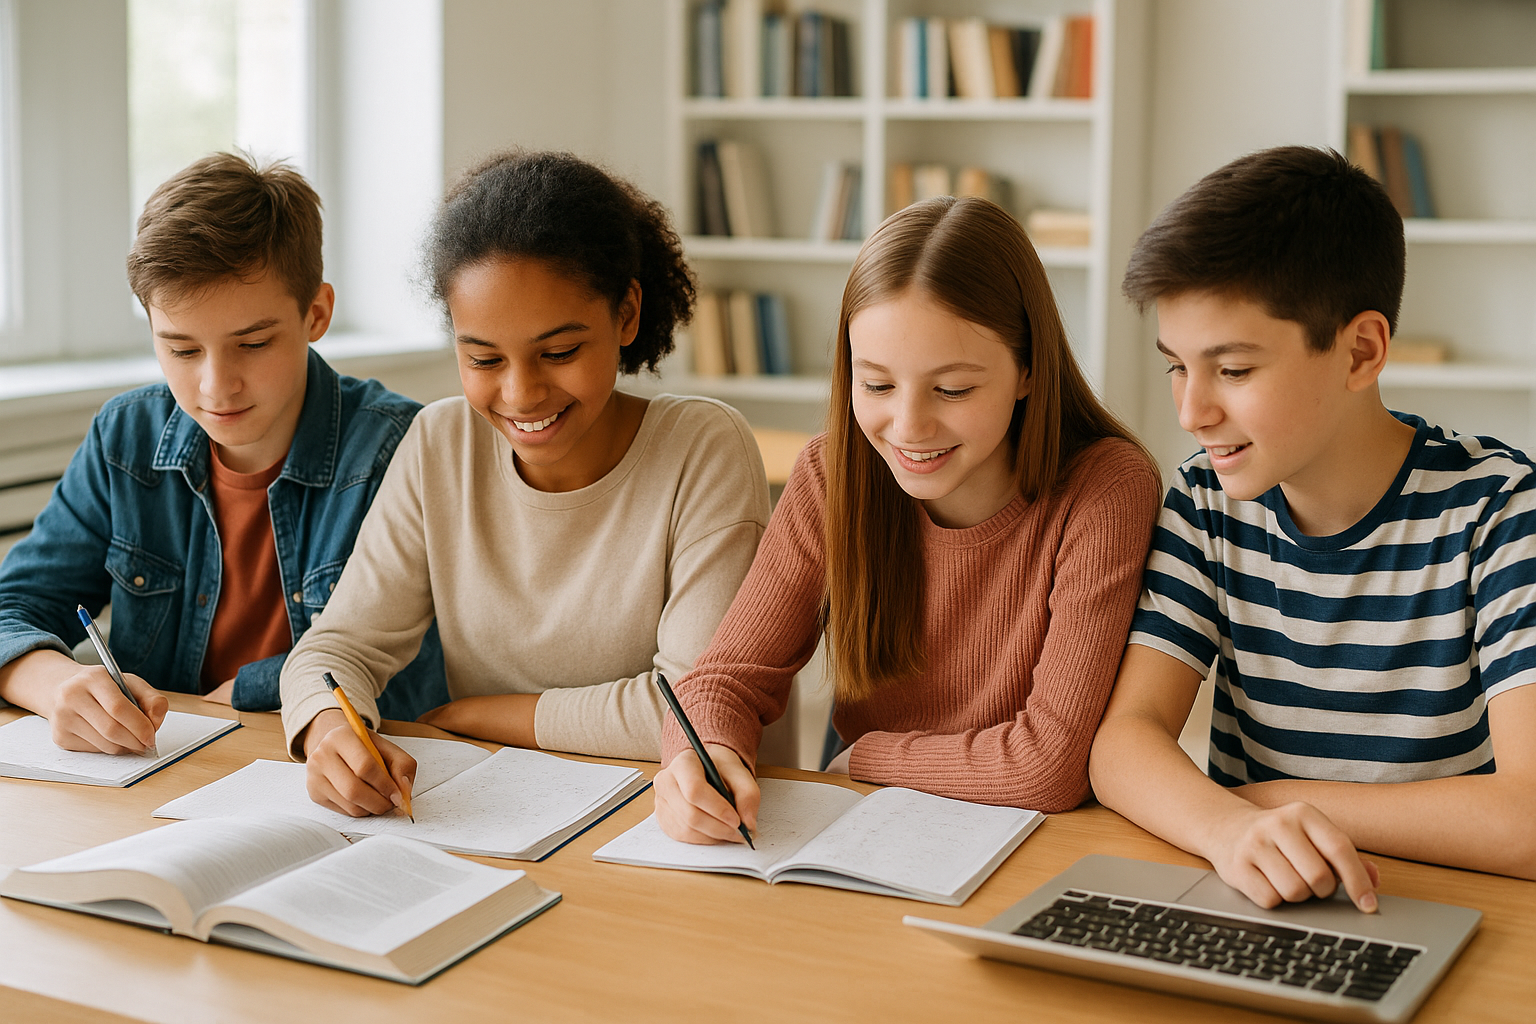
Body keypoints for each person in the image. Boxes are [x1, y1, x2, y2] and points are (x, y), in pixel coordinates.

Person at [1088, 146, 1536, 914]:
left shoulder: (1498, 509)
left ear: (1360, 351)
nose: (1192, 410)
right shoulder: (1206, 500)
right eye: (1176, 366)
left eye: (1232, 370)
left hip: (1434, 904)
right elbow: (1124, 740)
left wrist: (1268, 801)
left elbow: (1527, 820)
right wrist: (1227, 830)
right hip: (1256, 885)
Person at [652, 195, 1164, 845]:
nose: (909, 427)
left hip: (1033, 838)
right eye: (876, 385)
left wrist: (868, 757)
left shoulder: (1105, 487)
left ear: (1030, 368)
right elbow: (724, 679)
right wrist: (700, 759)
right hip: (873, 832)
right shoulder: (834, 473)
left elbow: (1047, 766)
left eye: (952, 389)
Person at [280, 150, 772, 817]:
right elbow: (337, 648)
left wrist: (483, 716)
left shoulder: (703, 448)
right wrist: (329, 727)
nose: (520, 393)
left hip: (670, 816)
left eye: (559, 352)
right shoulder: (439, 442)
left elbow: (690, 708)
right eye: (483, 357)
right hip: (492, 814)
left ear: (626, 314)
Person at [0, 152, 447, 753]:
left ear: (315, 313)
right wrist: (56, 684)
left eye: (254, 343)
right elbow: (15, 606)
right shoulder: (125, 437)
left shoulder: (399, 448)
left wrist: (247, 690)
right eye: (182, 350)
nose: (216, 387)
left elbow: (413, 675)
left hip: (326, 775)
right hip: (155, 773)